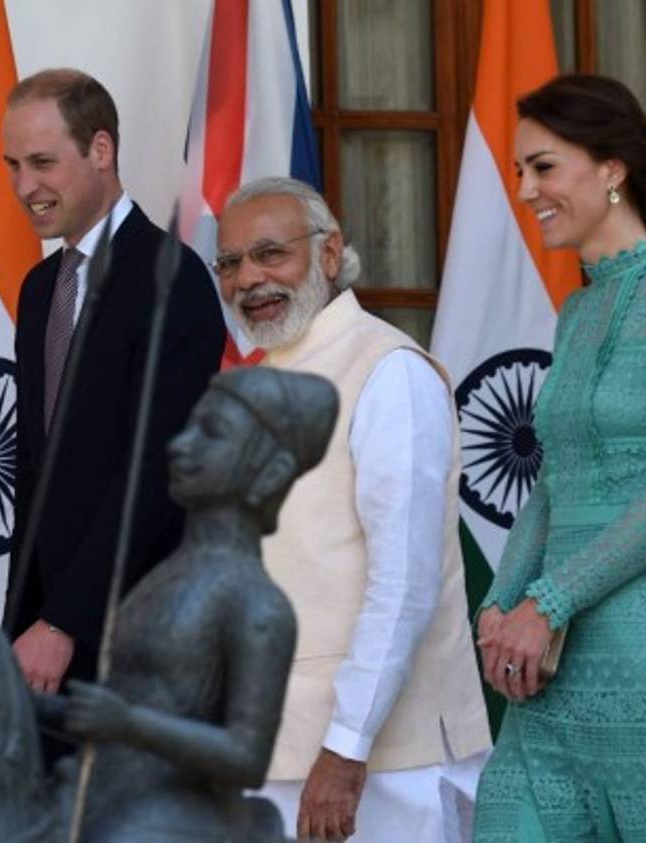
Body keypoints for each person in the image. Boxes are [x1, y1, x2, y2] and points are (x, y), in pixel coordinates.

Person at [471, 74, 646, 841]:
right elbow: (553, 483)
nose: (526, 189)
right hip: (548, 675)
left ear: (612, 168)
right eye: (521, 170)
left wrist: (551, 601)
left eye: (543, 166)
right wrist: (501, 601)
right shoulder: (578, 310)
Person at [214, 176, 493, 843]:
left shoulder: (387, 369)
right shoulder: (255, 381)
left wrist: (345, 750)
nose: (249, 277)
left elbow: (403, 584)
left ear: (330, 253)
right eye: (230, 262)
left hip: (377, 765)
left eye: (270, 253)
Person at [0, 69, 223, 733]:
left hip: (139, 649)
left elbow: (155, 476)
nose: (24, 187)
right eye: (12, 165)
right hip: (43, 650)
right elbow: (37, 475)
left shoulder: (170, 278)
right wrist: (22, 622)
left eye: (43, 162)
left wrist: (64, 620)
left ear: (101, 150)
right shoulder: (41, 289)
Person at [42, 367, 339, 842]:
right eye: (188, 426)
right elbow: (119, 703)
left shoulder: (255, 603)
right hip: (104, 791)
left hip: (168, 820)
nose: (180, 444)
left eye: (211, 433)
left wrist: (128, 723)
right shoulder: (162, 576)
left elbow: (247, 758)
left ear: (270, 473)